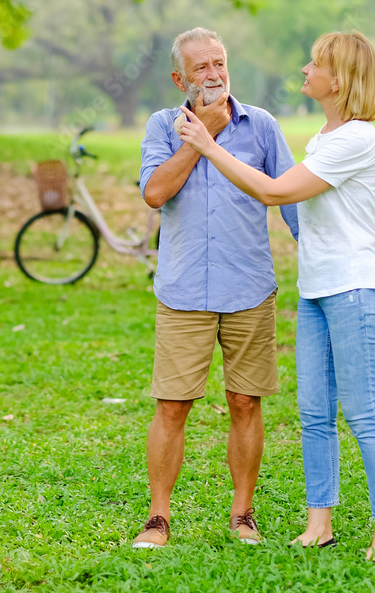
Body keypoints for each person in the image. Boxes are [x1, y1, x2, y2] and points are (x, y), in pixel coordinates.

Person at [176, 30, 375, 562]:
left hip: (356, 288)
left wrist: (208, 146)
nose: (305, 69)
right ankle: (319, 522)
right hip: (317, 290)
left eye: (315, 64)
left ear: (339, 80)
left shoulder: (356, 139)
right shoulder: (327, 135)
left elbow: (277, 192)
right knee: (315, 413)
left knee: (364, 413)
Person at [132, 27, 300, 549]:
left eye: (220, 63)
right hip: (182, 291)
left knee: (245, 402)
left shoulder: (262, 127)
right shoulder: (164, 126)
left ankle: (243, 513)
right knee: (172, 406)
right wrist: (200, 135)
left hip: (249, 287)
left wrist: (326, 260)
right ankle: (158, 519)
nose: (214, 74)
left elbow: (292, 199)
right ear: (180, 78)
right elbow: (155, 193)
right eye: (201, 67)